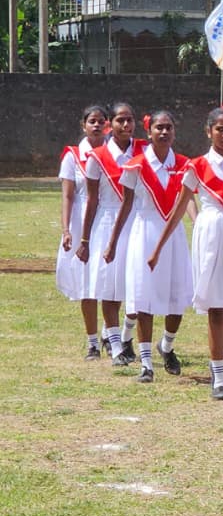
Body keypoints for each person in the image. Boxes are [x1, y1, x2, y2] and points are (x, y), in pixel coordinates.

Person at [151, 106, 223, 400]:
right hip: (209, 235)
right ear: (208, 131)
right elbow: (180, 207)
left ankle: (219, 355)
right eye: (219, 129)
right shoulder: (196, 166)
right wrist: (158, 247)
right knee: (217, 307)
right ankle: (218, 373)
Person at [103, 110, 192, 384]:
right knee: (144, 297)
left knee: (177, 296)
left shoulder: (185, 165)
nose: (164, 132)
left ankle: (166, 345)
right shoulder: (136, 165)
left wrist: (197, 223)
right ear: (149, 132)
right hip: (144, 231)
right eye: (159, 128)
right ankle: (145, 363)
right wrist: (113, 241)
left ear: (174, 131)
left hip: (173, 234)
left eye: (169, 127)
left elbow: (188, 200)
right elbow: (126, 205)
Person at [78, 102, 147, 365]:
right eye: (120, 120)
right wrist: (85, 239)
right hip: (107, 220)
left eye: (129, 120)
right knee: (109, 283)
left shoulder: (144, 151)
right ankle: (115, 345)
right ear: (111, 125)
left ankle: (126, 334)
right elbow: (92, 200)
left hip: (136, 219)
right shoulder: (98, 157)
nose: (126, 125)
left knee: (136, 282)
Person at [58, 105, 108, 360]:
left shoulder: (113, 154)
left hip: (107, 219)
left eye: (101, 121)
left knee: (109, 280)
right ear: (83, 125)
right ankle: (92, 342)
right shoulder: (73, 156)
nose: (97, 125)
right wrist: (67, 229)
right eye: (92, 121)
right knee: (87, 283)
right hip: (81, 220)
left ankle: (111, 333)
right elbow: (67, 195)